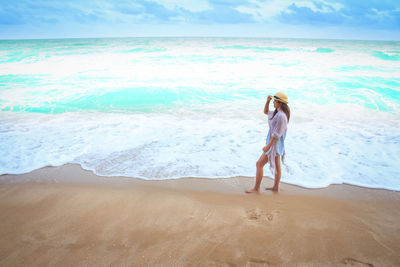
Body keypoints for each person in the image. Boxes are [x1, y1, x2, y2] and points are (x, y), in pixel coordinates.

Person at [246, 92, 290, 193]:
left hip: (274, 145)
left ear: (279, 103)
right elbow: (266, 111)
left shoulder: (281, 116)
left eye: (275, 101)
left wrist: (267, 146)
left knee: (259, 164)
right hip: (277, 145)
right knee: (277, 167)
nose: (273, 102)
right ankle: (275, 188)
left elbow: (276, 135)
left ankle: (256, 188)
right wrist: (267, 101)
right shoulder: (277, 113)